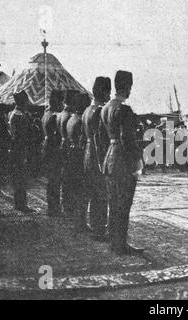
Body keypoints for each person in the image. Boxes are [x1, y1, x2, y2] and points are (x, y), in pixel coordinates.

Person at [101, 70, 144, 255]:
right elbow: (128, 139)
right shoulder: (124, 109)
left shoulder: (106, 108)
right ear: (126, 87)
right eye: (130, 87)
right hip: (122, 160)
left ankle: (113, 242)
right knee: (124, 204)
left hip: (109, 157)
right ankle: (121, 244)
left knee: (113, 202)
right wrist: (137, 162)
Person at [82, 77, 111, 240]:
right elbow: (100, 140)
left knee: (94, 192)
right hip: (98, 155)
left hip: (88, 154)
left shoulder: (87, 110)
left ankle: (95, 226)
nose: (109, 95)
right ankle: (100, 229)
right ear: (103, 91)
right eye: (108, 91)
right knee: (101, 194)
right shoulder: (100, 111)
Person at [67, 93, 91, 233]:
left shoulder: (71, 118)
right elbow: (82, 139)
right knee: (83, 191)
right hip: (79, 156)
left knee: (75, 190)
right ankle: (81, 222)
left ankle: (77, 220)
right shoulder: (81, 120)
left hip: (71, 155)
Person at [8, 90, 34, 212]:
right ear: (24, 102)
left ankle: (18, 203)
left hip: (14, 149)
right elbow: (24, 136)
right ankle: (22, 204)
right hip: (21, 150)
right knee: (22, 178)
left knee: (17, 178)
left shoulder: (12, 113)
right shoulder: (21, 116)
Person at [41, 90, 64, 216]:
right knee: (55, 180)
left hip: (47, 149)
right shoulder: (54, 116)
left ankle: (52, 207)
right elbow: (56, 136)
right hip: (54, 150)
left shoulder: (46, 114)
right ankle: (54, 208)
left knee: (51, 181)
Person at [57, 90, 78, 216]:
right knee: (70, 179)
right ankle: (69, 206)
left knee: (65, 178)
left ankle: (65, 205)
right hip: (69, 148)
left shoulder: (59, 114)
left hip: (61, 146)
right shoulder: (70, 116)